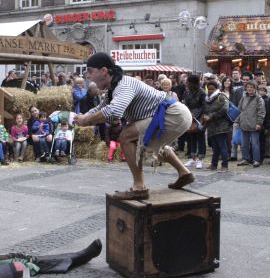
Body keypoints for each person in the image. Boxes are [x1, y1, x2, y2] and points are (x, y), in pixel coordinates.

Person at [73, 53, 194, 199]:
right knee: (150, 144)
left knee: (126, 137)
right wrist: (81, 117)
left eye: (90, 71)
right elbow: (101, 108)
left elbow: (114, 111)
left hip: (173, 114)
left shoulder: (124, 84)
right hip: (174, 114)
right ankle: (184, 173)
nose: (87, 76)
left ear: (104, 71)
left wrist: (86, 120)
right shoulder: (113, 88)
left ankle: (139, 187)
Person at [202, 79, 230, 171]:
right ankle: (214, 164)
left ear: (216, 89)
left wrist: (211, 116)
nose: (210, 91)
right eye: (209, 89)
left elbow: (225, 109)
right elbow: (205, 110)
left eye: (212, 89)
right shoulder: (207, 99)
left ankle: (225, 165)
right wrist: (205, 116)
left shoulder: (221, 96)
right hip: (211, 126)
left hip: (221, 126)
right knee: (215, 147)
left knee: (222, 146)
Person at [236, 81, 265, 167]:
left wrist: (259, 123)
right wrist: (237, 121)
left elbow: (261, 112)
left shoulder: (259, 99)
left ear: (255, 88)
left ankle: (256, 160)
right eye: (248, 87)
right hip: (244, 124)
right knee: (244, 144)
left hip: (254, 125)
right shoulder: (243, 98)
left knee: (255, 144)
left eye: (251, 87)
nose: (249, 89)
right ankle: (245, 159)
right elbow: (239, 111)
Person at [181, 74, 206, 170]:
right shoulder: (187, 92)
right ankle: (192, 158)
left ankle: (200, 159)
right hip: (189, 116)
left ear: (193, 83)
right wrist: (187, 112)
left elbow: (204, 106)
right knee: (192, 138)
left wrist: (196, 114)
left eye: (188, 82)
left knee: (200, 138)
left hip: (200, 118)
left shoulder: (202, 92)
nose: (186, 83)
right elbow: (185, 103)